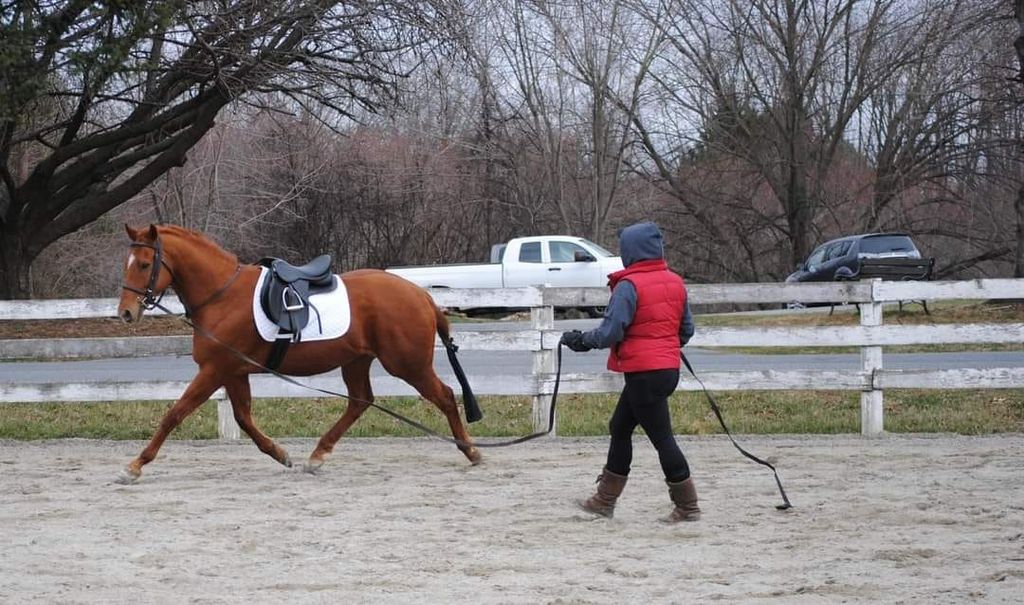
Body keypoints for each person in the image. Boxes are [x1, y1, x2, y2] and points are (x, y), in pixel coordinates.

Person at [560, 221, 698, 522]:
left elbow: (610, 332)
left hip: (644, 372)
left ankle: (687, 507)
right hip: (665, 370)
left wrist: (580, 341)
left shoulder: (629, 286)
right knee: (620, 427)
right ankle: (604, 500)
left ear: (631, 252)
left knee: (662, 438)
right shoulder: (675, 281)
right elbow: (686, 329)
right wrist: (665, 346)